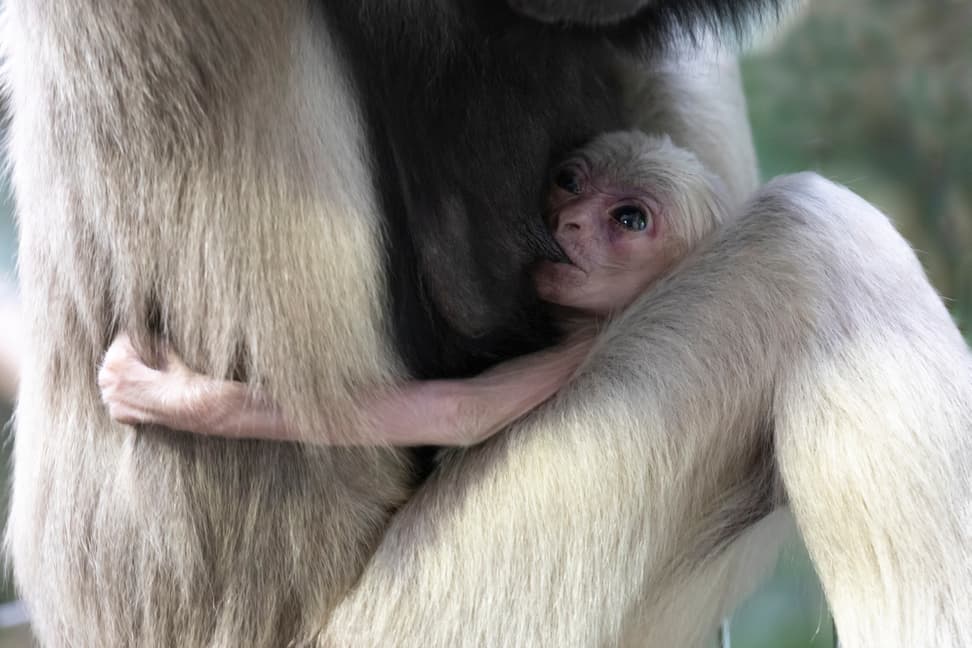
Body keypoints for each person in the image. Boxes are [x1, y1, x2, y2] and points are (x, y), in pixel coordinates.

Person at [98, 132, 726, 446]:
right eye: (571, 181)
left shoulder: (600, 356)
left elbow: (459, 413)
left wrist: (198, 403)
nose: (569, 219)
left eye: (630, 220)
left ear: (679, 276)